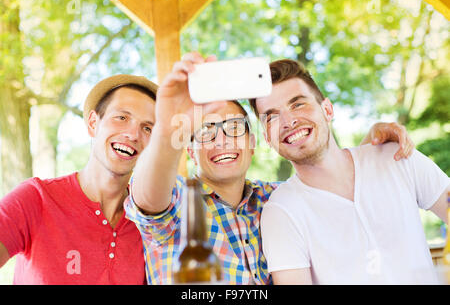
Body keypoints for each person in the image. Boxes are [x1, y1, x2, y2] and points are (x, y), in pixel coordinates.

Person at [124, 52, 414, 284]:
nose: (222, 140)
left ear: (252, 142)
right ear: (190, 150)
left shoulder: (276, 200)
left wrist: (370, 144)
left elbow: (330, 181)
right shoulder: (178, 201)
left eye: (234, 128)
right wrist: (165, 129)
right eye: (207, 131)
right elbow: (148, 199)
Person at [253, 59, 450, 284]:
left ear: (327, 109)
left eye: (298, 104)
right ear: (268, 138)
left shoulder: (398, 158)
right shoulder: (281, 211)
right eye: (272, 117)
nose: (288, 121)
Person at [0, 74, 157, 284]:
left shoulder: (150, 223)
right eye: (122, 117)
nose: (133, 134)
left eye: (147, 128)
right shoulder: (35, 198)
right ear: (93, 123)